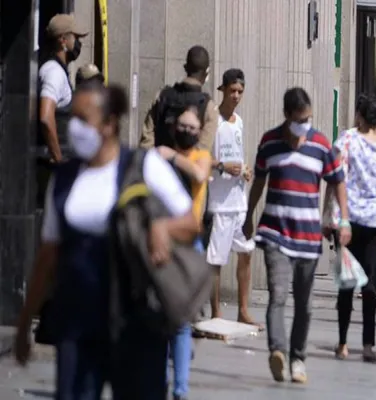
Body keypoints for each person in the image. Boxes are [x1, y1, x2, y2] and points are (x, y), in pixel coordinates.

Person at [14, 82, 199, 399]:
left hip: (136, 322)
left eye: (83, 119)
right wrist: (23, 323)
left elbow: (190, 223)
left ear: (109, 124)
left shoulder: (143, 166)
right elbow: (48, 255)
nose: (74, 128)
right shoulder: (64, 178)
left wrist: (162, 228)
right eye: (72, 118)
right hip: (78, 320)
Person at [243, 87, 351, 384]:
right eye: (300, 119)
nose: (305, 125)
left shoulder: (321, 145)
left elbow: (338, 181)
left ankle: (298, 358)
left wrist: (344, 220)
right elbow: (259, 182)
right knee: (278, 295)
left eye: (308, 119)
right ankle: (278, 351)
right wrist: (249, 215)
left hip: (308, 237)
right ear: (287, 115)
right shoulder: (269, 142)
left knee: (305, 304)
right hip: (275, 233)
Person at [330, 94, 376, 363]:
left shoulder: (346, 141)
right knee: (370, 285)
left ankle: (342, 342)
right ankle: (368, 345)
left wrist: (332, 216)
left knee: (346, 284)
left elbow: (337, 179)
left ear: (360, 116)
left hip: (348, 221)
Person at [156, 105, 212, 400]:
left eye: (192, 128)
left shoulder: (200, 156)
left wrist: (172, 157)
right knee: (162, 317)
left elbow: (200, 175)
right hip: (162, 241)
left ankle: (180, 389)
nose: (187, 132)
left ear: (200, 132)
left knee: (179, 321)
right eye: (183, 126)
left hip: (190, 244)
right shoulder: (158, 158)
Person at [205, 69, 259, 327]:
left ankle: (243, 310)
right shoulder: (212, 119)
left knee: (246, 252)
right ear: (223, 90)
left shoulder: (239, 121)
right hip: (219, 202)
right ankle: (216, 312)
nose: (236, 96)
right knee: (216, 259)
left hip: (239, 200)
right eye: (232, 91)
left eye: (240, 91)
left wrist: (244, 169)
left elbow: (238, 153)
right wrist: (222, 166)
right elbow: (201, 155)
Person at [37, 14, 88, 207]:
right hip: (50, 171)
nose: (78, 43)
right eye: (76, 37)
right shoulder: (54, 72)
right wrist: (58, 160)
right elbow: (45, 117)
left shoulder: (59, 71)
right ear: (63, 40)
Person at [140, 45, 218, 150]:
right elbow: (202, 150)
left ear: (185, 67)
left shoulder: (161, 96)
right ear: (207, 72)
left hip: (159, 159)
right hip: (188, 161)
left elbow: (146, 143)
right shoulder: (209, 107)